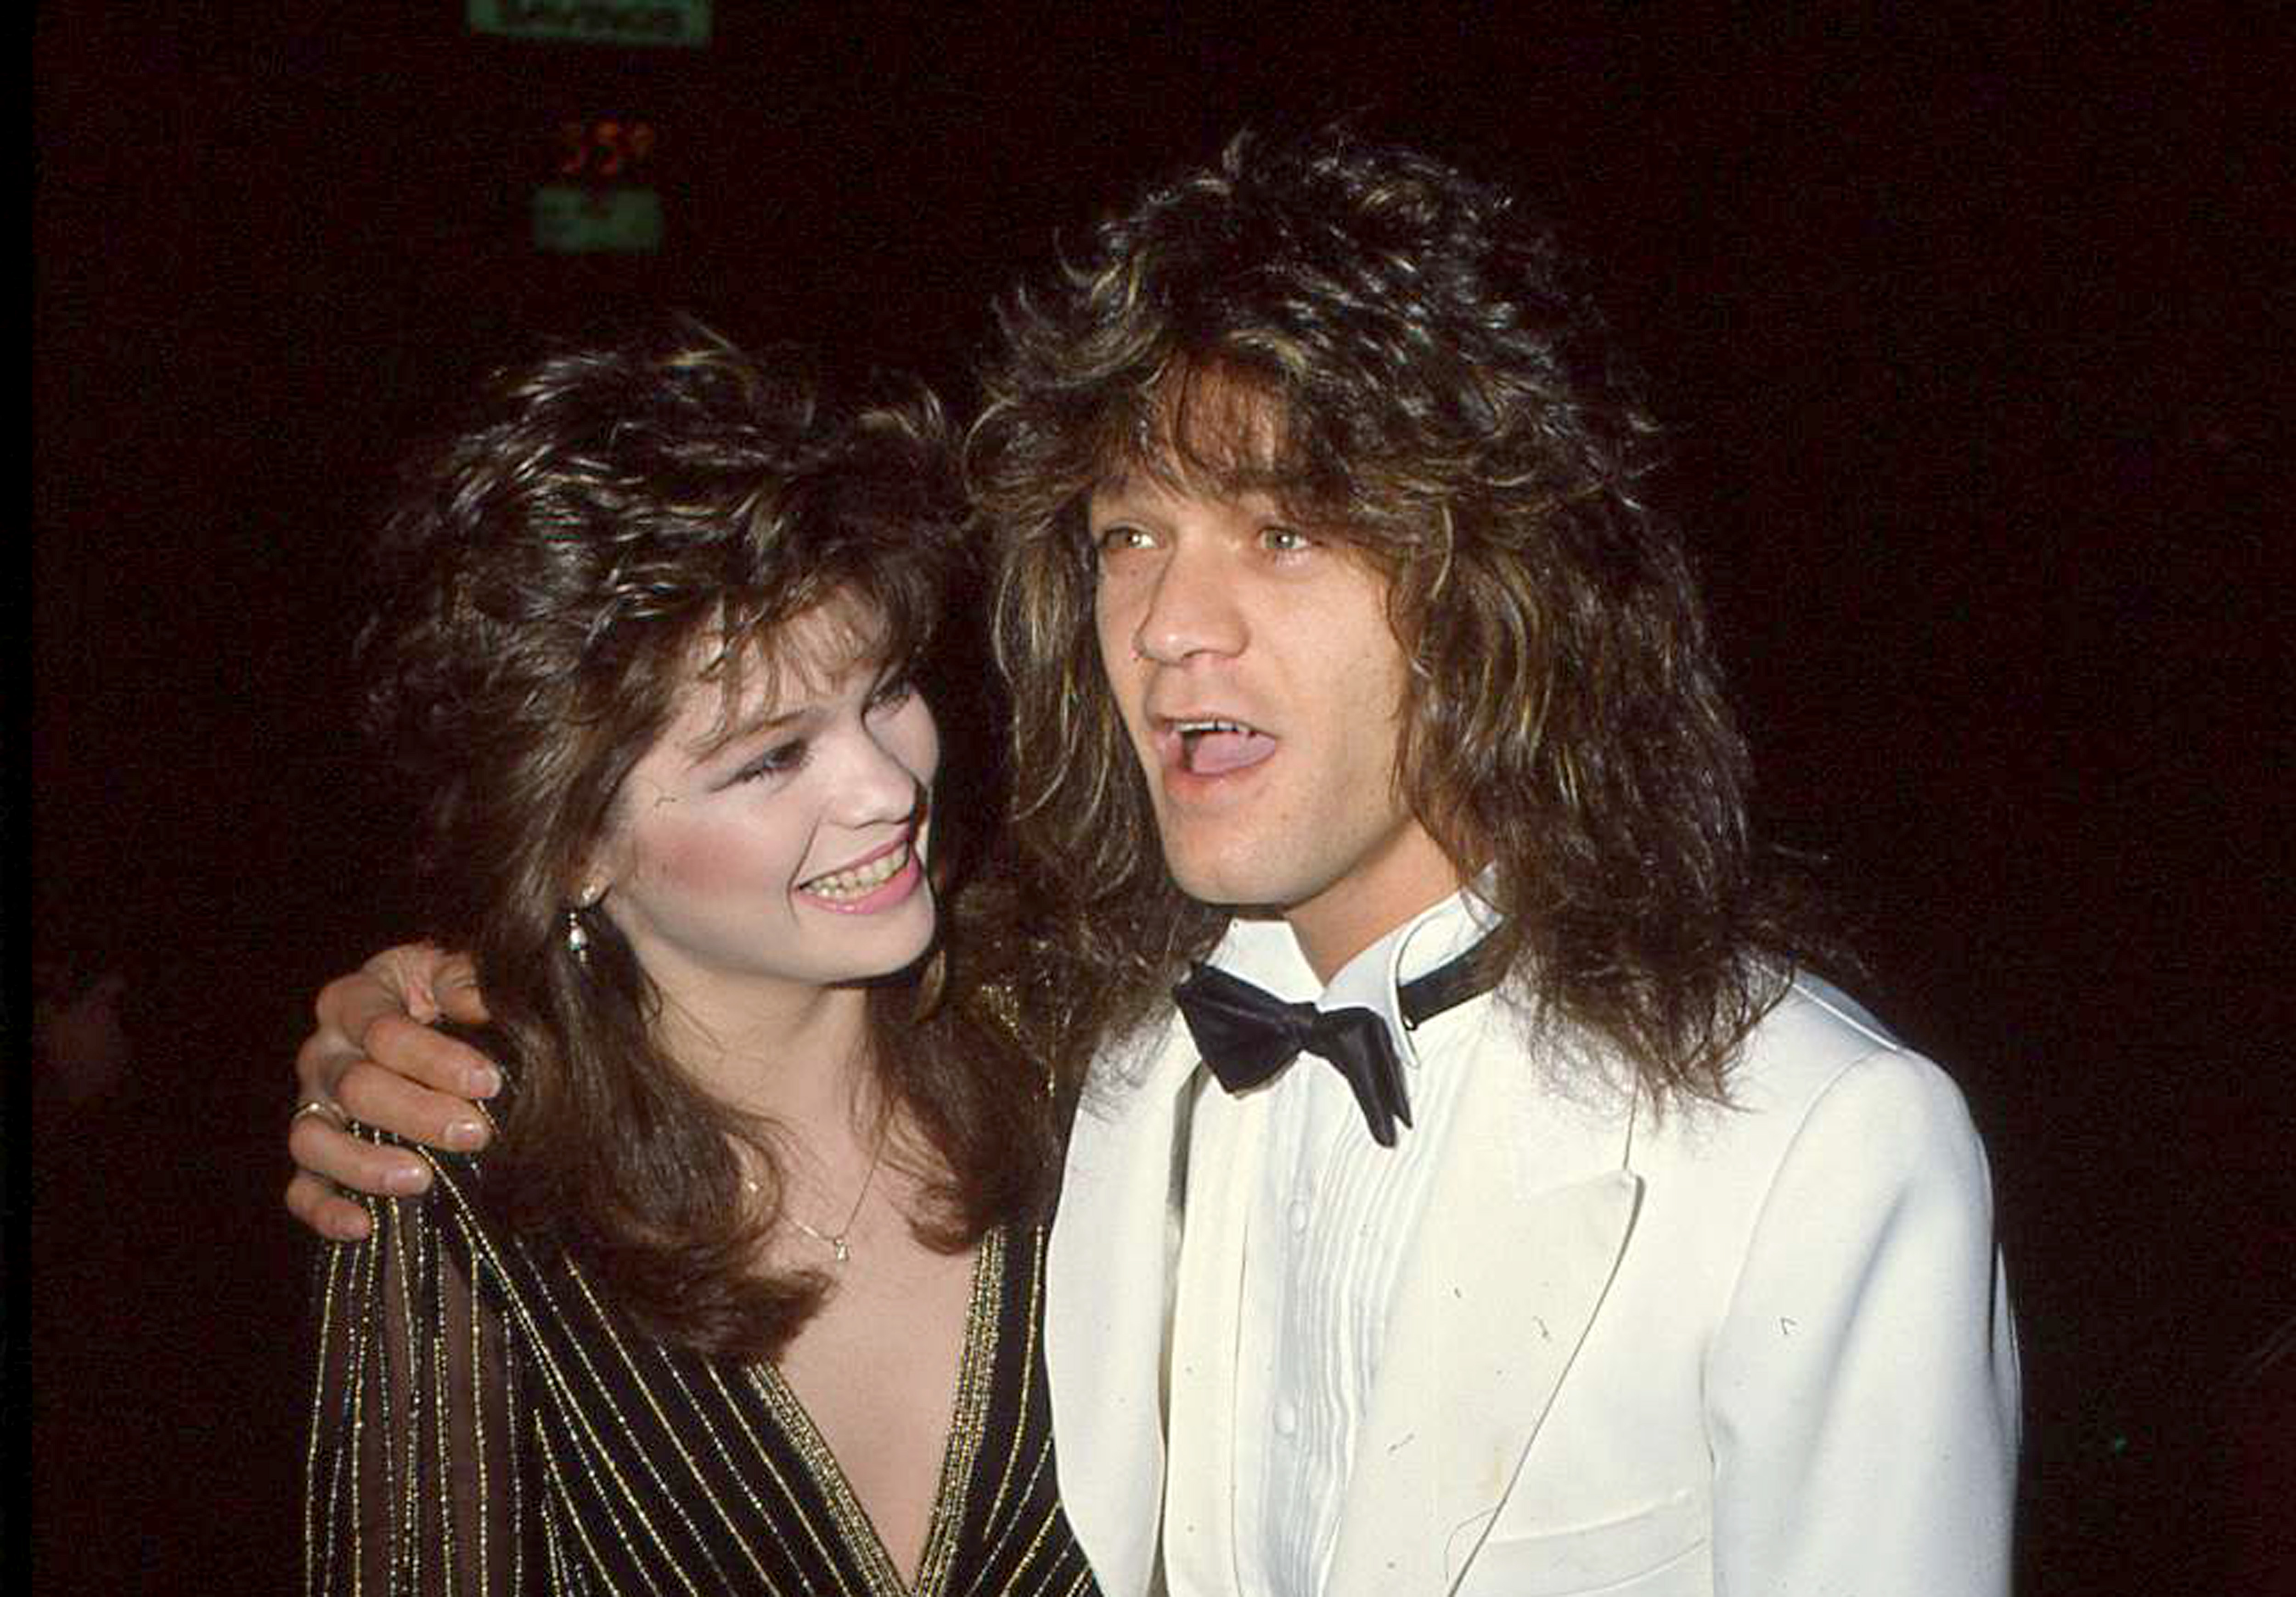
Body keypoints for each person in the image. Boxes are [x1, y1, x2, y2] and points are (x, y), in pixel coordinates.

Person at [291, 132, 2020, 1596]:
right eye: (1131, 536)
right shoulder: (1117, 1055)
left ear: (1504, 577)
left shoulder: (1817, 1145)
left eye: (1286, 530)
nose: (1175, 630)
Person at [294, 321, 1096, 1596]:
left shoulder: (1087, 1049)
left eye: (885, 691)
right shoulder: (469, 1195)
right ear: (569, 848)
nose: (886, 788)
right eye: (770, 757)